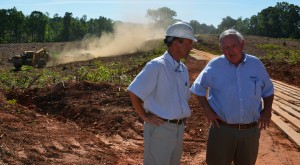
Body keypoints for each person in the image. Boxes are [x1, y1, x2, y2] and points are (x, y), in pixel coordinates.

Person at [190, 29, 274, 165]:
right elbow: (198, 88)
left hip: (250, 132)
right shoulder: (215, 65)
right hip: (222, 130)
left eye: (234, 46)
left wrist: (267, 109)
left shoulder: (256, 64)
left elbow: (268, 90)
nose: (230, 51)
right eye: (226, 48)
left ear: (242, 44)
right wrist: (208, 110)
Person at [127, 21, 197, 165]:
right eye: (189, 42)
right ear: (176, 42)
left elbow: (182, 99)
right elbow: (134, 91)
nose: (191, 47)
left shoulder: (183, 69)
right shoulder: (156, 66)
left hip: (178, 128)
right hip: (161, 128)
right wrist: (144, 116)